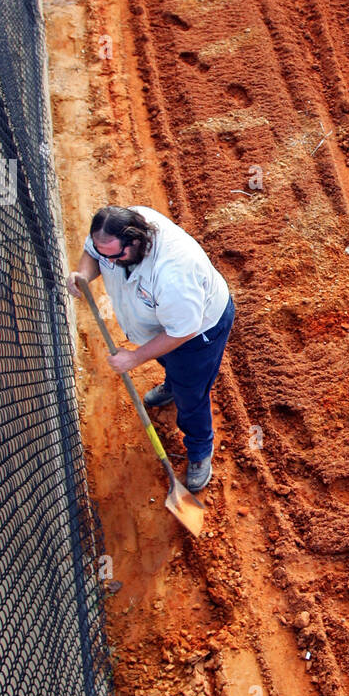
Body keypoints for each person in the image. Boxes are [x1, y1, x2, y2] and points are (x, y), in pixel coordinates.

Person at [67, 204, 234, 493]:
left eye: (115, 257)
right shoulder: (111, 236)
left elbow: (183, 331)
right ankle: (172, 383)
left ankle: (199, 450)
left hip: (197, 334)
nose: (110, 262)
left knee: (191, 396)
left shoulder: (174, 272)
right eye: (104, 255)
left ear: (135, 240)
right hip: (163, 325)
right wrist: (82, 274)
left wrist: (133, 358)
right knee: (169, 364)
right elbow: (93, 255)